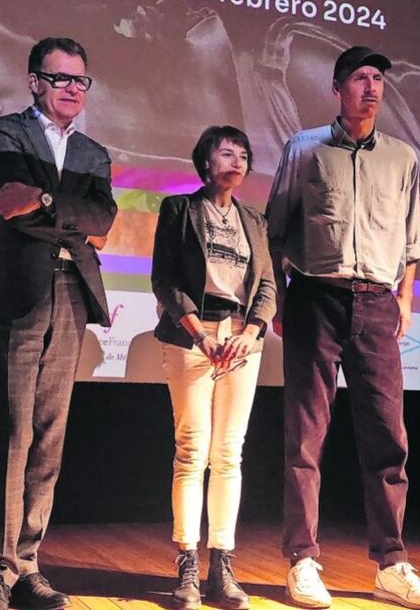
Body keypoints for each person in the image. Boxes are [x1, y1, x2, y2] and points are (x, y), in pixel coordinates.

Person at [265, 46, 420, 610]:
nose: (372, 87)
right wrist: (279, 300)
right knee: (305, 435)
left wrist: (406, 302)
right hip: (316, 296)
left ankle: (392, 562)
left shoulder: (403, 158)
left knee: (388, 438)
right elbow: (275, 232)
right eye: (360, 78)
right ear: (337, 87)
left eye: (378, 79)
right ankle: (303, 559)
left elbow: (412, 244)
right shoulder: (304, 148)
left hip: (377, 304)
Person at [0, 37, 117, 610]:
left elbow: (103, 222)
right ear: (35, 82)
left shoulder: (95, 152)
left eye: (82, 81)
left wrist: (46, 201)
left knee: (49, 438)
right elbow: (7, 201)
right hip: (13, 292)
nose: (75, 89)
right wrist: (67, 211)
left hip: (72, 294)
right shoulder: (3, 133)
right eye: (62, 79)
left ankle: (28, 563)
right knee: (10, 433)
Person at [151, 126, 276, 610]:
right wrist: (199, 335)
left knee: (229, 453)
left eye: (244, 155)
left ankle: (222, 562)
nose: (238, 161)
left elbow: (266, 285)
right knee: (192, 450)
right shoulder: (179, 209)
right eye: (227, 153)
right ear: (205, 160)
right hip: (191, 337)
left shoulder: (256, 220)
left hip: (242, 341)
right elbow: (165, 279)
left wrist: (252, 332)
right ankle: (186, 561)